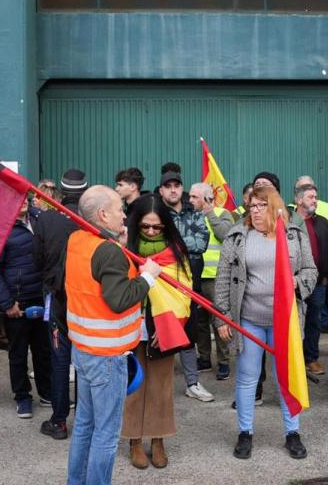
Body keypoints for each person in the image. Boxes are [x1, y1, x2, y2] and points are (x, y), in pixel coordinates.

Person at [214, 186, 318, 460]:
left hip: (285, 322)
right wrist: (222, 316)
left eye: (262, 205)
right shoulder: (238, 236)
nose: (256, 211)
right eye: (252, 206)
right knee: (247, 377)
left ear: (275, 207)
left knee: (286, 376)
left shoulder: (293, 235)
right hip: (249, 319)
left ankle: (292, 432)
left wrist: (296, 282)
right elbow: (223, 277)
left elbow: (311, 270)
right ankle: (245, 432)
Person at [65, 185, 160, 485]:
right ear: (103, 214)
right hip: (107, 356)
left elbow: (95, 277)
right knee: (106, 435)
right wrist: (148, 277)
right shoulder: (109, 252)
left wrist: (116, 244)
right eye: (120, 209)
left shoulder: (78, 239)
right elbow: (118, 299)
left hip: (83, 349)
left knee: (85, 425)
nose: (124, 214)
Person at [122, 194, 192, 470]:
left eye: (157, 226)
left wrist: (168, 326)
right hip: (130, 326)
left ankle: (158, 440)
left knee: (161, 387)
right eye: (145, 226)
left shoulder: (176, 252)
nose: (151, 231)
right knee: (133, 387)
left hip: (163, 327)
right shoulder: (124, 247)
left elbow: (184, 293)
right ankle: (134, 441)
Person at [32, 168, 88, 440]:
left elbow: (37, 259)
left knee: (59, 360)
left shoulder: (46, 219)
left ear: (61, 192)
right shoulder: (91, 220)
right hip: (87, 301)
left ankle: (59, 421)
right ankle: (87, 420)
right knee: (87, 360)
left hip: (56, 298)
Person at [0, 198, 51, 419]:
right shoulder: (0, 228)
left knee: (44, 351)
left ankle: (47, 393)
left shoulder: (40, 219)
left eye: (25, 196)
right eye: (17, 197)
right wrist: (7, 303)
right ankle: (22, 397)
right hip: (17, 301)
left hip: (42, 297)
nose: (23, 201)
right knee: (18, 354)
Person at [157, 168, 214, 403]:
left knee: (188, 334)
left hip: (189, 285)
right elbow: (155, 244)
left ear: (182, 189)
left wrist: (173, 241)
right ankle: (159, 386)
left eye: (177, 186)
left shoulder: (194, 213)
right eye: (168, 186)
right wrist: (180, 243)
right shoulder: (156, 214)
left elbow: (201, 244)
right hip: (162, 286)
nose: (173, 190)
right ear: (161, 190)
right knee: (161, 334)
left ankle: (192, 383)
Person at [188, 182, 235, 380]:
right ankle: (205, 358)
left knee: (220, 321)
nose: (190, 200)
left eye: (194, 197)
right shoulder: (190, 216)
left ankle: (224, 362)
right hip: (196, 277)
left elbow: (225, 235)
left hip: (216, 278)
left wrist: (209, 214)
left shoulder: (222, 214)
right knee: (200, 322)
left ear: (207, 199)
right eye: (190, 196)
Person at [296, 183, 328, 376]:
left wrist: (326, 275)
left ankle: (311, 358)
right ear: (299, 200)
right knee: (295, 321)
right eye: (311, 197)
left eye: (315, 197)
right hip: (295, 283)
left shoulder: (323, 222)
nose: (315, 201)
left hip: (318, 283)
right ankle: (295, 358)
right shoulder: (288, 222)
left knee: (314, 321)